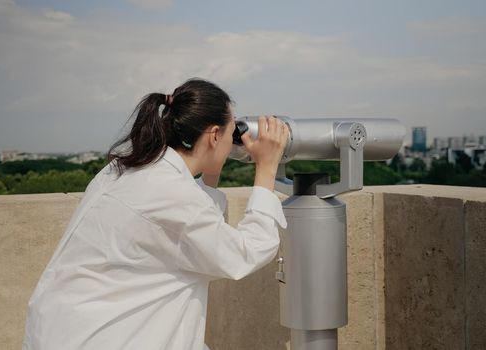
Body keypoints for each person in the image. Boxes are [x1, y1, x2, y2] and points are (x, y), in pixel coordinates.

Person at [22, 78, 289, 349]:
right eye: (232, 132)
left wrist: (212, 167)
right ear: (215, 135)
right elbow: (242, 254)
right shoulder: (172, 193)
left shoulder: (128, 167)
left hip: (68, 329)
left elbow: (186, 229)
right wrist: (266, 168)